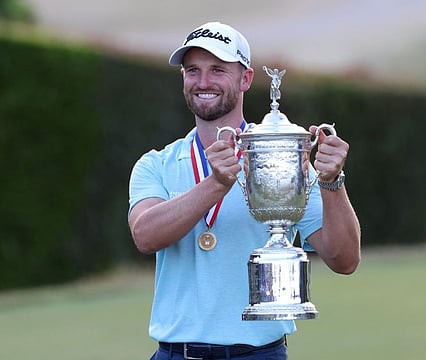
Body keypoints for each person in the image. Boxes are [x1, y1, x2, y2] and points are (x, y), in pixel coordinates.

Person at [128, 21, 361, 360]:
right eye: (192, 70)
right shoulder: (156, 164)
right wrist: (215, 184)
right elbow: (145, 236)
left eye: (218, 70)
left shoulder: (283, 157)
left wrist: (331, 182)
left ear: (246, 79)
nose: (203, 82)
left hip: (258, 354)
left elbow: (345, 260)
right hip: (175, 354)